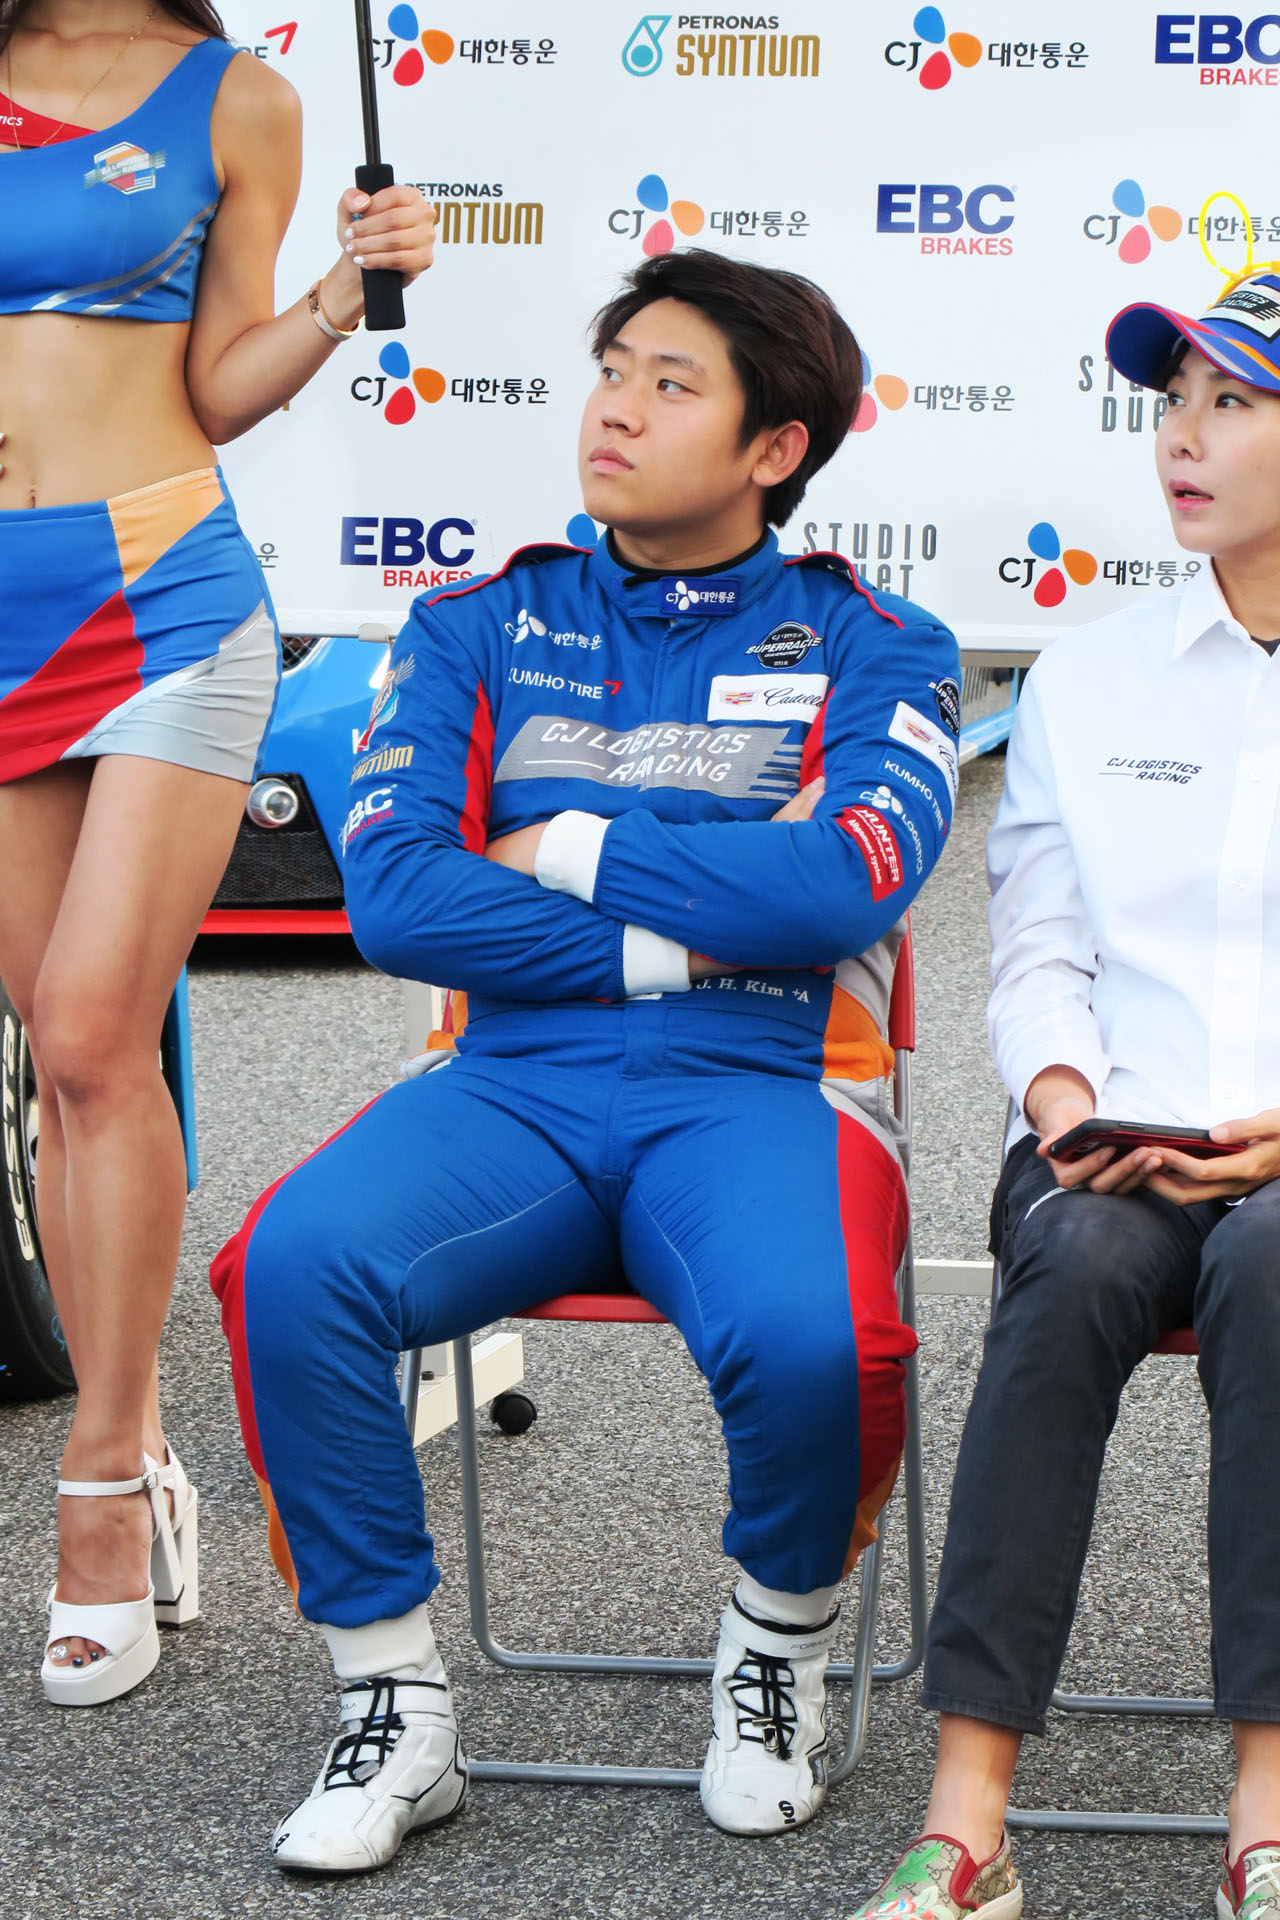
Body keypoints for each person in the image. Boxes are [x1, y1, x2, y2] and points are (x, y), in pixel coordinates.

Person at [211, 246, 961, 1875]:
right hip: (513, 1085)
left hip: (765, 1083)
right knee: (291, 1265)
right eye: (612, 370)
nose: (615, 407)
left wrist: (555, 849)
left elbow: (843, 885)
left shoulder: (881, 644)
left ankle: (775, 1651)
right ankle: (391, 1700)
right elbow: (400, 898)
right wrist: (696, 917)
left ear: (776, 447)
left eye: (670, 385)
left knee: (823, 1340)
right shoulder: (478, 623)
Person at [0, 0, 435, 1708]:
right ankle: (146, 1450)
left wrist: (341, 292)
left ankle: (104, 1480)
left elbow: (209, 385)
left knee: (95, 1028)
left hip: (160, 592)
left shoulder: (236, 98)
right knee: (58, 1054)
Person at [851, 267, 1280, 1920]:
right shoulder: (1090, 679)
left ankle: (1265, 1812)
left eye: (1232, 404)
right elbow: (1037, 944)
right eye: (1172, 404)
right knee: (1075, 1266)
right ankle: (968, 1817)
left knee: (1275, 1266)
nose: (1182, 438)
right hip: (1108, 1143)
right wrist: (1063, 1108)